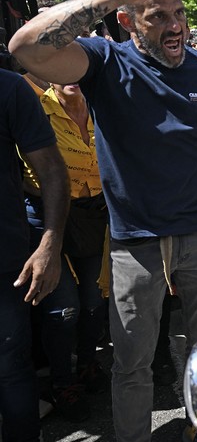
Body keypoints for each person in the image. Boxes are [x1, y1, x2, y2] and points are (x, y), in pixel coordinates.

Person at [9, 0, 197, 442]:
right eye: (157, 16)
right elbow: (25, 48)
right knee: (133, 364)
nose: (176, 26)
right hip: (134, 246)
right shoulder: (104, 63)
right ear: (125, 20)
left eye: (178, 13)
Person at [23, 81, 109, 422]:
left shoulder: (103, 104)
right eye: (58, 66)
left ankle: (87, 363)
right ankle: (62, 382)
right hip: (48, 218)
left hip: (95, 215)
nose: (68, 73)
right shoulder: (33, 108)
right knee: (64, 310)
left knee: (93, 302)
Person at [0, 68, 69, 442]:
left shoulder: (9, 88)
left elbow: (53, 171)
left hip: (4, 262)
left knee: (10, 366)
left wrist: (49, 243)